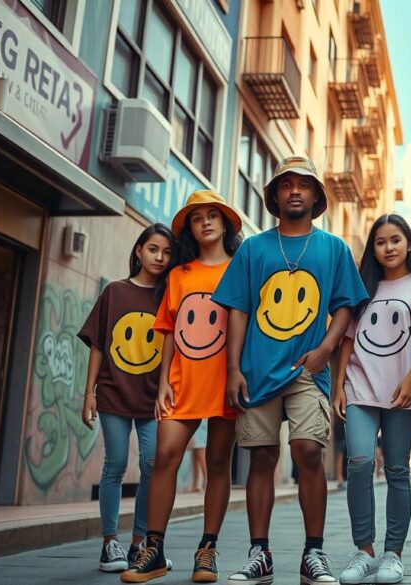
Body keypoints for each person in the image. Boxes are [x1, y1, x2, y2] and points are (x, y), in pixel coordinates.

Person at [213, 156, 368, 585]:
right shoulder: (253, 248)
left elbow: (343, 307)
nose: (295, 190)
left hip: (306, 371)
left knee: (308, 453)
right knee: (261, 457)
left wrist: (324, 349)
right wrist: (233, 369)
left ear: (316, 195)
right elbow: (239, 310)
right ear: (275, 196)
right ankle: (259, 554)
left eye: (304, 184)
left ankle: (313, 554)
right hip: (257, 370)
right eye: (286, 185)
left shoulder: (333, 247)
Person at [121, 192, 243, 583]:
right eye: (197, 219)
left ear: (225, 223)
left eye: (212, 216)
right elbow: (170, 332)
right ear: (189, 229)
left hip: (225, 382)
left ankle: (207, 551)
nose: (205, 222)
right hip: (182, 381)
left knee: (218, 464)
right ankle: (152, 550)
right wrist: (161, 385)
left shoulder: (241, 268)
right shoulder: (178, 274)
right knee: (164, 457)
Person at [331, 213, 411, 584]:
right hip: (360, 387)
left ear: (408, 243)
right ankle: (364, 551)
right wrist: (338, 386)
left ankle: (393, 554)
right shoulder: (364, 288)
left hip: (402, 390)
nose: (389, 247)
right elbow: (347, 340)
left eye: (395, 240)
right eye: (380, 241)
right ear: (373, 249)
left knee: (397, 470)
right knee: (360, 462)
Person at [79, 224, 174, 573]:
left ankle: (140, 543)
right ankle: (109, 542)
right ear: (138, 251)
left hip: (152, 399)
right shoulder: (114, 292)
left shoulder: (168, 296)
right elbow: (98, 345)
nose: (159, 257)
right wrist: (88, 392)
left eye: (166, 252)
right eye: (152, 249)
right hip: (114, 394)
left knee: (152, 465)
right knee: (115, 464)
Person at [189, 420, 208, 493]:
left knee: (202, 459)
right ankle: (196, 484)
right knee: (195, 459)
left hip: (200, 429)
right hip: (197, 428)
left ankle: (206, 483)